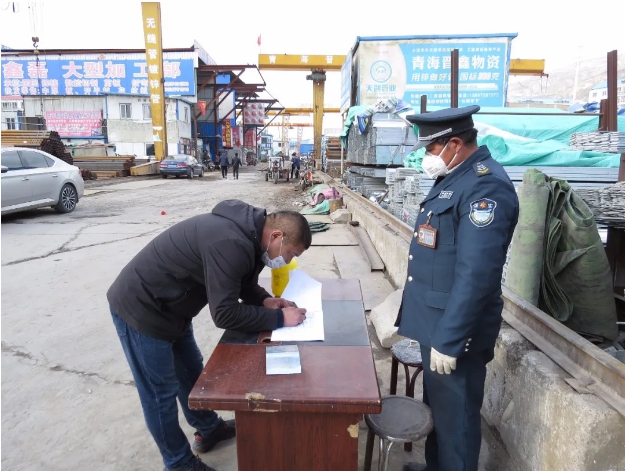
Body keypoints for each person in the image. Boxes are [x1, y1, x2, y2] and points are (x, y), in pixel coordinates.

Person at [107, 201, 312, 471]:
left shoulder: (252, 239)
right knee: (160, 395)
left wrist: (265, 301)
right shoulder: (230, 242)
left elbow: (242, 282)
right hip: (142, 308)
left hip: (174, 308)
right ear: (276, 236)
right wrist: (280, 319)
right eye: (290, 253)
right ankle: (178, 463)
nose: (288, 261)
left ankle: (209, 428)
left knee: (191, 372)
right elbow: (225, 314)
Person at [395, 106, 519, 471]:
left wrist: (450, 339)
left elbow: (477, 273)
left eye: (431, 149)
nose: (427, 157)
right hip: (436, 322)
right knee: (440, 409)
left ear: (454, 144)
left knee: (457, 422)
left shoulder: (485, 186)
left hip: (455, 330)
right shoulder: (456, 175)